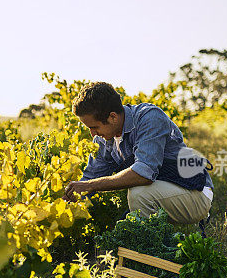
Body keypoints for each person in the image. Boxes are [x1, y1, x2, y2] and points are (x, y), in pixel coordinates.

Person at [63, 82, 213, 226]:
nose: (92, 133)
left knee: (139, 194)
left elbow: (144, 174)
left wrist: (90, 185)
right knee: (121, 226)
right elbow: (89, 179)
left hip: (194, 191)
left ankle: (153, 251)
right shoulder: (103, 139)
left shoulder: (149, 118)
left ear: (113, 117)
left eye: (94, 127)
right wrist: (62, 207)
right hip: (163, 190)